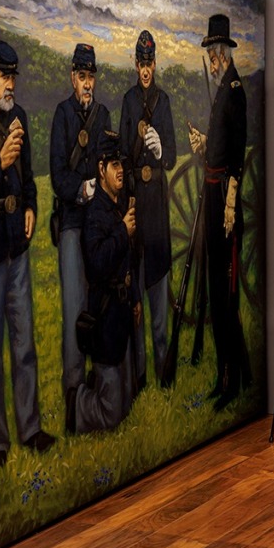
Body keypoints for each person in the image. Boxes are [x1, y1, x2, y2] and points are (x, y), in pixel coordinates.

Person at [0, 40, 55, 474]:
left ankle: (31, 428)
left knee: (24, 345)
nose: (11, 85)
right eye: (5, 77)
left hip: (15, 248)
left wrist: (32, 207)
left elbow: (30, 178)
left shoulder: (19, 116)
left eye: (14, 77)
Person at [187, 14, 251, 411]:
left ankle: (229, 380)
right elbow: (222, 147)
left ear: (225, 53)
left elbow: (238, 156)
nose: (212, 60)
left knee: (225, 297)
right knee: (215, 291)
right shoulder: (221, 91)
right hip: (211, 196)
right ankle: (236, 374)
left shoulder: (235, 90)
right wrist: (204, 145)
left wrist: (229, 202)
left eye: (214, 53)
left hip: (223, 204)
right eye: (210, 54)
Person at [50, 43, 110, 408]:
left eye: (91, 77)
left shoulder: (102, 115)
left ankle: (97, 378)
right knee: (74, 306)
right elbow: (57, 175)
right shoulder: (62, 115)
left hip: (98, 224)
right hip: (73, 222)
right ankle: (73, 390)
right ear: (73, 77)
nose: (87, 84)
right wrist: (83, 189)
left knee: (97, 303)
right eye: (82, 77)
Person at [67, 130, 139, 434]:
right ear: (101, 169)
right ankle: (77, 403)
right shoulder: (96, 213)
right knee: (111, 418)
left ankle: (99, 392)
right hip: (105, 319)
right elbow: (96, 265)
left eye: (121, 163)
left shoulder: (118, 204)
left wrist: (135, 297)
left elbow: (128, 261)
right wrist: (122, 232)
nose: (120, 169)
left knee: (124, 408)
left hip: (120, 318)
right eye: (113, 164)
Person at [119, 30, 176, 389]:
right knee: (135, 293)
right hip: (137, 201)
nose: (145, 69)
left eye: (149, 63)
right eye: (140, 63)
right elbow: (123, 155)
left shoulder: (164, 101)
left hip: (156, 203)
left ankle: (162, 373)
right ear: (136, 64)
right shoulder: (127, 101)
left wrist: (158, 151)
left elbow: (170, 157)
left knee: (158, 295)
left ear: (155, 64)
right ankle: (139, 377)